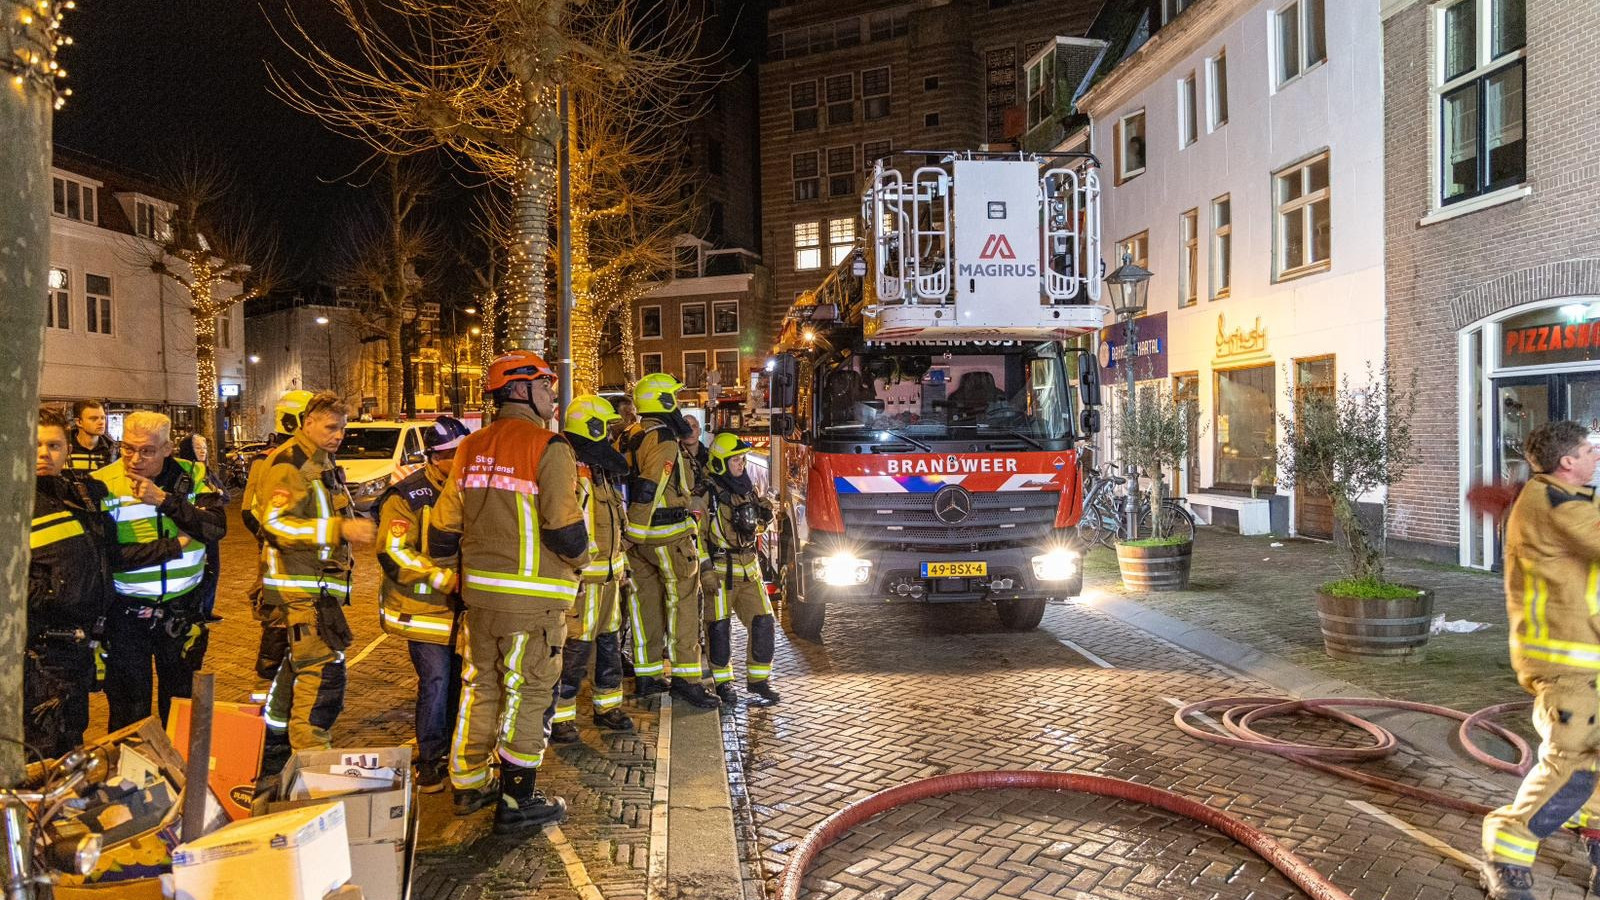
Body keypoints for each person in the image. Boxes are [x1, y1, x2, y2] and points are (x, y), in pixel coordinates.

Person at [428, 351, 589, 832]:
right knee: (530, 691)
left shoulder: (470, 447)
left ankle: (468, 783)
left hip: (480, 602)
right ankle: (517, 802)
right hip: (533, 602)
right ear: (521, 389)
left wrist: (462, 575)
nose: (551, 396)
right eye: (546, 385)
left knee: (482, 689)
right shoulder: (548, 445)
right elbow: (566, 530)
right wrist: (583, 563)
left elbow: (440, 532)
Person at [1480, 420, 1600, 900]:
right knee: (1572, 763)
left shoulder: (1563, 499)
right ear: (1567, 462)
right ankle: (1506, 850)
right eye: (1589, 450)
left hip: (1589, 658)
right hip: (1568, 664)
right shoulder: (1554, 503)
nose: (1596, 456)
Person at [28, 407, 184, 759]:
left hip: (77, 646)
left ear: (68, 449)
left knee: (71, 738)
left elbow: (109, 555)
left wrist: (171, 546)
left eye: (53, 445)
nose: (43, 453)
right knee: (39, 748)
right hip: (36, 650)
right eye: (34, 444)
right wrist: (52, 598)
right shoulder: (12, 504)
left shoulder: (79, 496)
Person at [255, 391, 374, 757]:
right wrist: (338, 531)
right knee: (322, 672)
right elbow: (274, 526)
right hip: (299, 590)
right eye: (331, 426)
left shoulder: (321, 462)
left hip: (313, 588)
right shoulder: (292, 465)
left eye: (343, 428)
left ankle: (272, 741)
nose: (339, 434)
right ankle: (311, 756)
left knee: (297, 666)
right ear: (308, 423)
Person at [94, 411, 226, 731]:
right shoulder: (102, 483)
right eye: (127, 448)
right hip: (126, 615)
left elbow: (215, 527)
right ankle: (131, 776)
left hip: (181, 612)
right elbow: (107, 557)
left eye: (147, 450)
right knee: (129, 709)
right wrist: (173, 546)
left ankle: (179, 773)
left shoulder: (197, 475)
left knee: (181, 706)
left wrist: (165, 500)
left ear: (167, 448)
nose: (134, 459)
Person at [375, 416, 470, 792]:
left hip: (463, 609)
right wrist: (443, 578)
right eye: (451, 456)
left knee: (463, 684)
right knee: (435, 681)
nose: (458, 461)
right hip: (426, 611)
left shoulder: (469, 488)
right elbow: (393, 553)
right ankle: (430, 760)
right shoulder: (408, 496)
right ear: (434, 458)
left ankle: (457, 751)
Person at [618, 373, 720, 709]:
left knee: (643, 605)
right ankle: (686, 680)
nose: (678, 404)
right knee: (683, 606)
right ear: (663, 402)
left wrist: (629, 536)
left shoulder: (629, 435)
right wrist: (635, 530)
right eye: (673, 398)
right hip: (667, 536)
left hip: (639, 544)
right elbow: (651, 486)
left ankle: (647, 676)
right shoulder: (662, 437)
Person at [551, 395, 636, 744]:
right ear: (593, 428)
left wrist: (624, 567)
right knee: (574, 651)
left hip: (609, 582)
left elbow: (615, 524)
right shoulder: (574, 472)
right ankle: (561, 718)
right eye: (607, 429)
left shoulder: (601, 471)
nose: (611, 437)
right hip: (583, 583)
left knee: (609, 646)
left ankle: (607, 707)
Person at [698, 433, 780, 708]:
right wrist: (705, 568)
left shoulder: (746, 488)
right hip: (721, 573)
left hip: (750, 569)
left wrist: (763, 518)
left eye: (742, 458)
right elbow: (694, 536)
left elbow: (752, 526)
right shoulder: (706, 493)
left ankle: (759, 681)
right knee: (719, 630)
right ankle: (724, 683)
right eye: (735, 459)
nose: (741, 464)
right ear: (721, 463)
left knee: (764, 624)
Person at [241, 391, 313, 687]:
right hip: (280, 556)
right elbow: (249, 511)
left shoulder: (315, 459)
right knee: (277, 618)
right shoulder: (269, 460)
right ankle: (268, 680)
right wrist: (275, 541)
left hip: (308, 560)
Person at [176, 434, 228, 623]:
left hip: (209, 528)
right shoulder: (182, 473)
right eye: (198, 447)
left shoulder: (207, 472)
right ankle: (194, 610)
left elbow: (225, 495)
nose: (203, 451)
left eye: (205, 447)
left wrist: (216, 496)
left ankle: (206, 608)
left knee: (213, 569)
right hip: (191, 532)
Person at [68, 399, 117, 471]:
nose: (101, 422)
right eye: (94, 419)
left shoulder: (112, 450)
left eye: (103, 418)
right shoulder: (64, 448)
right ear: (79, 422)